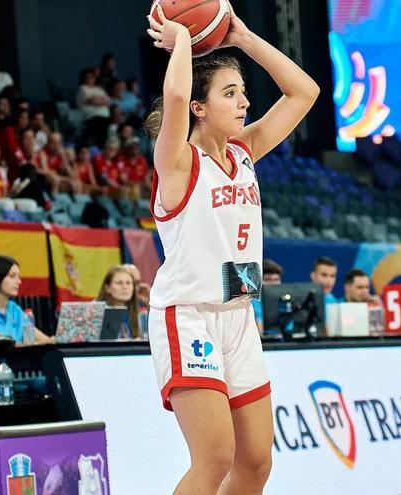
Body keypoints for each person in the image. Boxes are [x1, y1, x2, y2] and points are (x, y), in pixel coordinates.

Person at [145, 4, 319, 493]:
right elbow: (176, 94)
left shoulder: (243, 153)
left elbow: (304, 91)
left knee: (256, 462)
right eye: (229, 93)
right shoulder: (178, 162)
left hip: (238, 314)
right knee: (214, 458)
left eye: (242, 92)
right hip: (189, 314)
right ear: (200, 108)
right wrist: (182, 40)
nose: (244, 102)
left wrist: (241, 37)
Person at [0, 256, 53, 345]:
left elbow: (45, 340)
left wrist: (52, 340)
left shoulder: (14, 309)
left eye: (18, 276)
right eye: (12, 276)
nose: (19, 281)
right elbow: (3, 344)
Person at [96, 266, 141, 339]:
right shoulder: (96, 315)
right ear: (107, 288)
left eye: (128, 283)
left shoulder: (140, 316)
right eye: (119, 283)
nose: (125, 287)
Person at [76, 68, 111, 147]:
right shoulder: (83, 88)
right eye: (87, 77)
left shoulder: (100, 89)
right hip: (90, 117)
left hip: (105, 116)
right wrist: (100, 100)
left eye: (92, 77)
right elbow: (92, 101)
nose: (90, 79)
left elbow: (108, 102)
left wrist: (97, 99)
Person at [253, 259, 284, 332]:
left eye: (276, 280)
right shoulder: (252, 303)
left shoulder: (285, 300)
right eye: (267, 280)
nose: (272, 284)